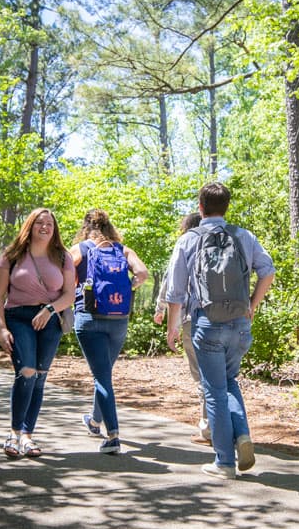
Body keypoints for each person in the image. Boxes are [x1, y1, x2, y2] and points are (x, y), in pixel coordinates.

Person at [165, 182, 275, 480]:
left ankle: (224, 462)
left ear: (200, 208)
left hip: (206, 324)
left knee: (214, 390)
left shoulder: (189, 239)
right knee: (228, 381)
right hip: (239, 324)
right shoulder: (243, 236)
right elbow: (268, 270)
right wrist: (252, 305)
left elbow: (175, 292)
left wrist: (172, 328)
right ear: (227, 206)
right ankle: (242, 436)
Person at [0, 208, 76, 458]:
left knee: (39, 376)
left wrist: (50, 309)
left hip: (50, 320)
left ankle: (28, 436)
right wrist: (2, 328)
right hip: (18, 317)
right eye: (40, 222)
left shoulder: (63, 256)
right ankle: (14, 434)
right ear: (30, 225)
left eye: (50, 223)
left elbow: (69, 294)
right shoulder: (12, 254)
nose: (45, 227)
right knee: (26, 372)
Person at [71, 209, 149, 454]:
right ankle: (94, 421)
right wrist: (129, 286)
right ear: (109, 227)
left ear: (85, 228)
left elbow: (61, 274)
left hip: (89, 317)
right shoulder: (122, 249)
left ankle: (113, 436)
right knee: (103, 372)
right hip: (118, 318)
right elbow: (143, 273)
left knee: (102, 376)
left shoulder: (80, 249)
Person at [153, 212, 209, 445]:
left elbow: (170, 284)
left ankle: (208, 429)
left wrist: (162, 312)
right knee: (222, 375)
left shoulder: (185, 244)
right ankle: (230, 427)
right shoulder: (217, 245)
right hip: (223, 316)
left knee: (201, 375)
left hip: (190, 318)